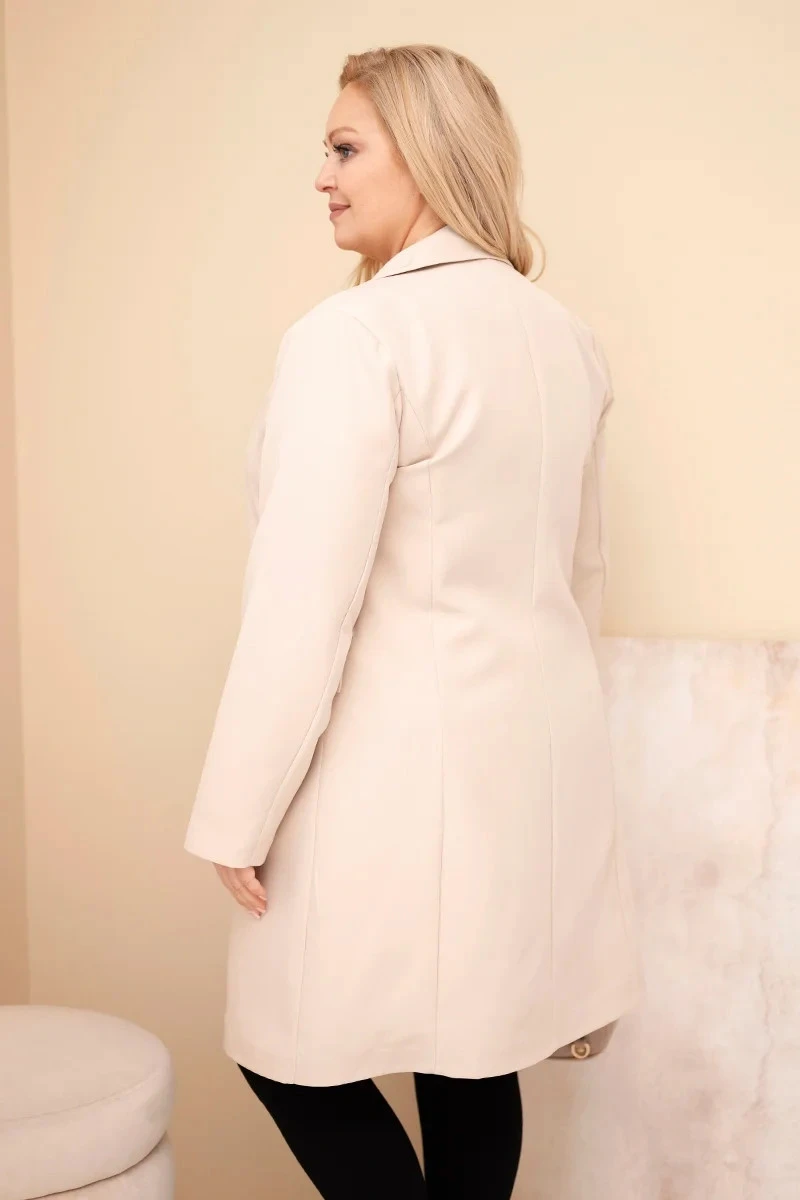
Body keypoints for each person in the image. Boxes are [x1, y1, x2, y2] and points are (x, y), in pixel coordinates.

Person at [183, 42, 645, 1198]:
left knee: (289, 1056)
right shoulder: (562, 338)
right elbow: (577, 580)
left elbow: (302, 603)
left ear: (427, 155)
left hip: (388, 785)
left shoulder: (354, 337)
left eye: (345, 148)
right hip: (525, 772)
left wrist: (238, 809)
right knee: (472, 1054)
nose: (321, 176)